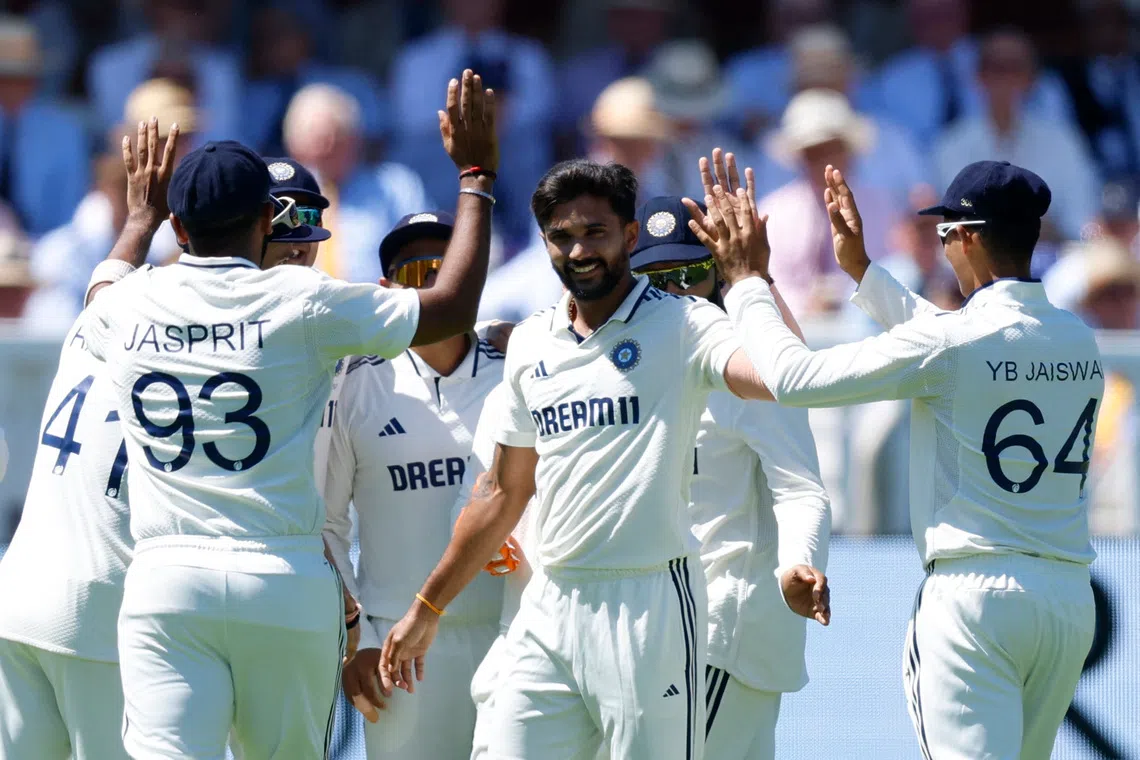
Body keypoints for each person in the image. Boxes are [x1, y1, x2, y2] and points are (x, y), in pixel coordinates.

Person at [79, 71, 499, 759]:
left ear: (179, 227)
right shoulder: (302, 300)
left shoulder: (129, 304)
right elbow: (451, 309)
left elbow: (100, 289)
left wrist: (136, 220)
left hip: (166, 582)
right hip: (281, 579)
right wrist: (476, 176)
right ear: (267, 221)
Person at [379, 159, 829, 760]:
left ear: (627, 237)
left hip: (681, 614)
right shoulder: (537, 342)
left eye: (595, 232)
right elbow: (503, 491)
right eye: (563, 236)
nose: (580, 249)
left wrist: (752, 280)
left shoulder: (691, 330)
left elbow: (788, 384)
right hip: (553, 602)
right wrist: (428, 606)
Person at [694, 157, 1101, 760]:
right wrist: (861, 270)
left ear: (965, 237)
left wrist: (749, 281)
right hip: (1068, 598)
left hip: (974, 597)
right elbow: (956, 343)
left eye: (944, 238)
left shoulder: (951, 342)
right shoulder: (1076, 335)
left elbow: (794, 377)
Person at [630, 187, 831, 760]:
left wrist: (800, 559)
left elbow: (800, 486)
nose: (674, 295)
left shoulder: (746, 363)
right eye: (655, 279)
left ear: (716, 276)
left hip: (722, 628)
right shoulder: (634, 362)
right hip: (671, 629)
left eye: (689, 274)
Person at [0, 118, 177, 760]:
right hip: (96, 618)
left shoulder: (85, 330)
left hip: (17, 599)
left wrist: (139, 219)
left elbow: (109, 277)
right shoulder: (175, 375)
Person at [322, 210, 507, 759]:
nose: (431, 283)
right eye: (414, 273)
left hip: (511, 635)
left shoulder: (520, 364)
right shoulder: (354, 384)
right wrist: (354, 641)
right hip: (400, 652)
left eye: (444, 267)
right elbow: (326, 523)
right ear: (387, 290)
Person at [261, 157, 333, 269]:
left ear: (320, 225)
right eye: (276, 215)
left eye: (304, 216)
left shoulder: (328, 286)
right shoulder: (227, 285)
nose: (291, 234)